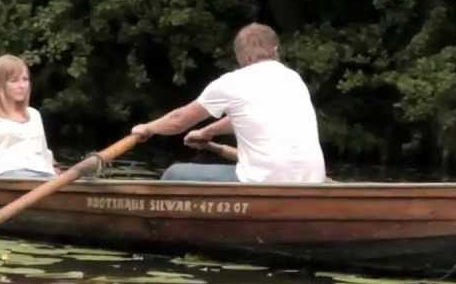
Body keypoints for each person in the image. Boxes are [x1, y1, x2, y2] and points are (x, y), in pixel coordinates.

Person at [131, 23, 325, 183]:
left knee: (174, 173)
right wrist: (207, 133)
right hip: (312, 180)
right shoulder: (293, 79)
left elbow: (179, 120)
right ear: (275, 50)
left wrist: (148, 128)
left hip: (264, 181)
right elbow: (247, 116)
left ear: (240, 55)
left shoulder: (232, 82)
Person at [0, 54, 56, 178]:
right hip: (9, 177)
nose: (22, 85)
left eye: (25, 79)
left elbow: (44, 154)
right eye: (14, 81)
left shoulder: (34, 115)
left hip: (45, 176)